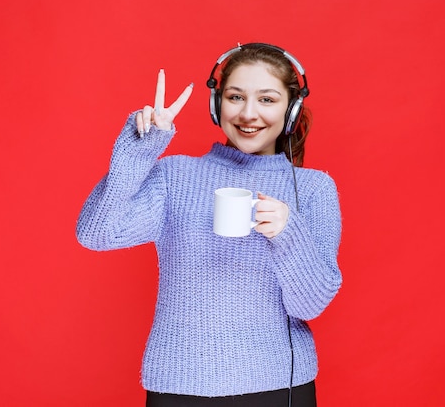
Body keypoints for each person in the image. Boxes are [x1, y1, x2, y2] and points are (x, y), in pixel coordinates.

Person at [76, 43, 342, 406]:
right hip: (179, 385)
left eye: (267, 99)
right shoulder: (174, 176)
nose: (249, 114)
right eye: (236, 97)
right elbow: (96, 233)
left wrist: (288, 234)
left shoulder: (314, 190)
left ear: (291, 109)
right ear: (217, 104)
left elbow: (309, 306)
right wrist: (140, 150)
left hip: (278, 388)